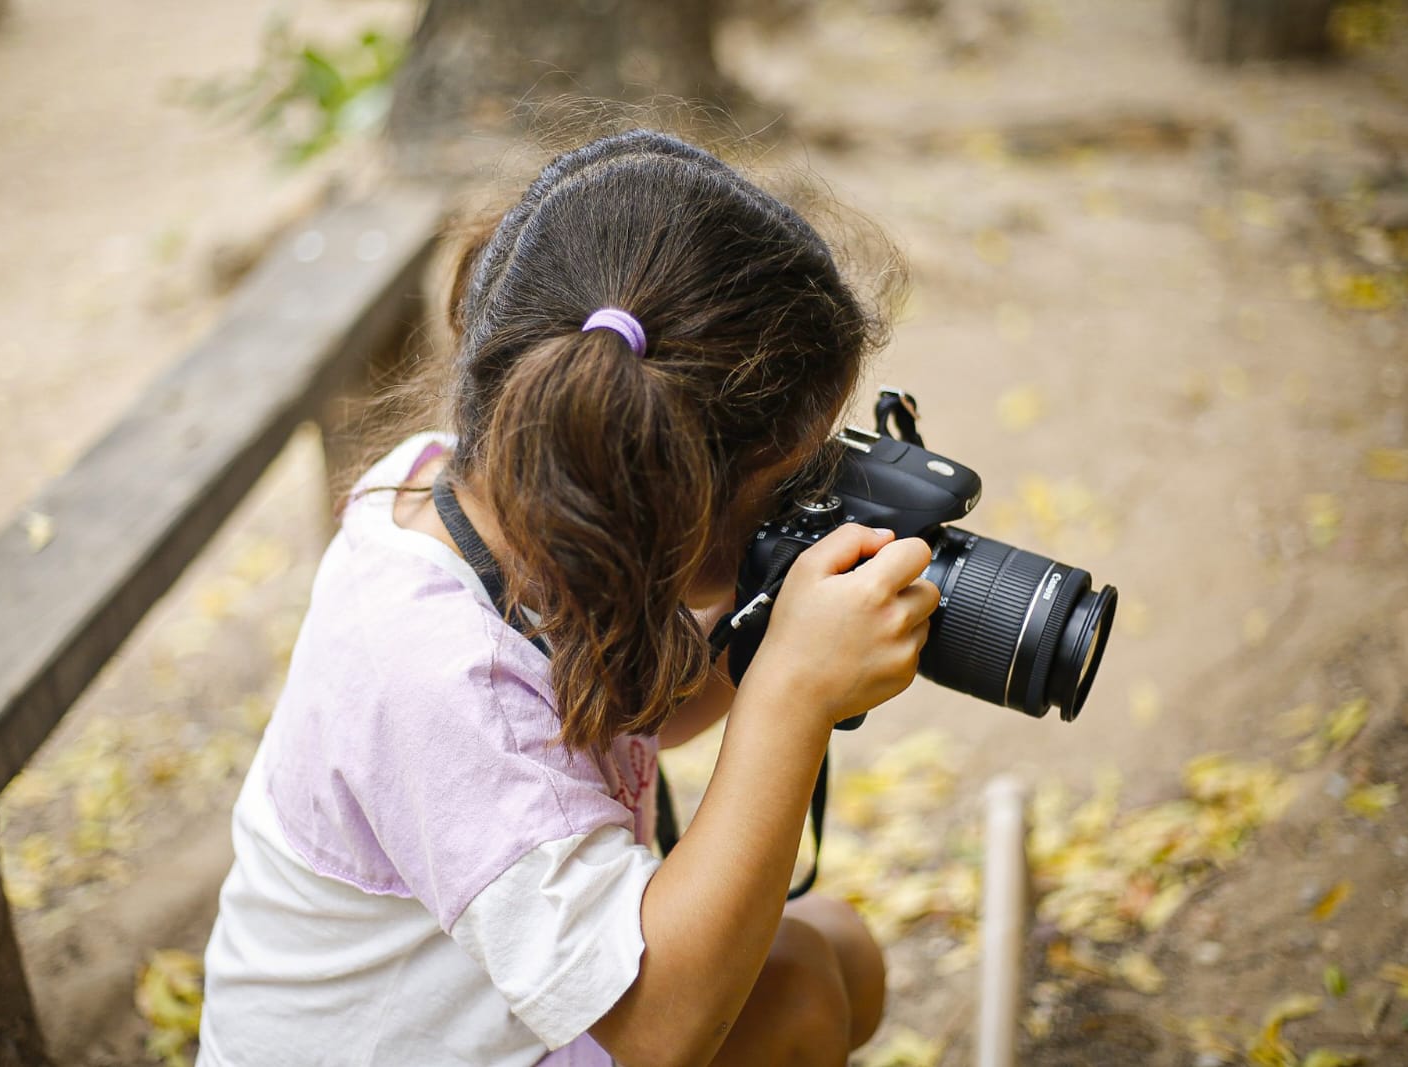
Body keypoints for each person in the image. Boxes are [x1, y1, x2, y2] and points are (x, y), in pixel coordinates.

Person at [197, 128, 938, 1067]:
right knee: (793, 995)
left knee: (842, 954)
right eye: (790, 485)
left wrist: (768, 630)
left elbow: (630, 711)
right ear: (669, 496)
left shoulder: (483, 489)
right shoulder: (439, 676)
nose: (806, 504)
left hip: (481, 1022)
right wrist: (792, 693)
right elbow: (660, 1026)